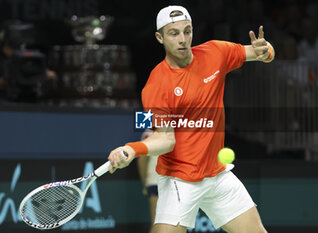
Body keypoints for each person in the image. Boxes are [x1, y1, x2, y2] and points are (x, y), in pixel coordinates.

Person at [108, 5, 274, 233]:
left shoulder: (215, 52)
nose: (183, 39)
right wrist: (132, 149)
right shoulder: (156, 84)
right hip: (180, 180)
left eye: (187, 31)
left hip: (217, 175)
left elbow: (260, 52)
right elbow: (166, 140)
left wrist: (266, 51)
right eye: (174, 34)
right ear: (160, 37)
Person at [137, 129, 158, 233]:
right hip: (155, 183)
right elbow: (142, 160)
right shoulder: (149, 133)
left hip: (174, 184)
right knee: (157, 225)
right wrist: (146, 183)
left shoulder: (178, 128)